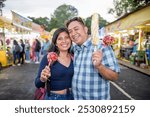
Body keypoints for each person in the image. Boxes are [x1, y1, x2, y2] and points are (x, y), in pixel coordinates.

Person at [65, 17, 120, 100]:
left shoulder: (102, 47)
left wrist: (99, 66)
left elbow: (115, 76)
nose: (73, 33)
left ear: (86, 29)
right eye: (70, 31)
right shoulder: (75, 49)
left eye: (76, 29)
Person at [35, 27, 74, 100]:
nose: (64, 41)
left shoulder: (74, 57)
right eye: (60, 39)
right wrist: (42, 79)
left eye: (66, 37)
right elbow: (37, 84)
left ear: (71, 40)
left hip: (72, 97)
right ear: (55, 43)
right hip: (53, 98)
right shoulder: (48, 58)